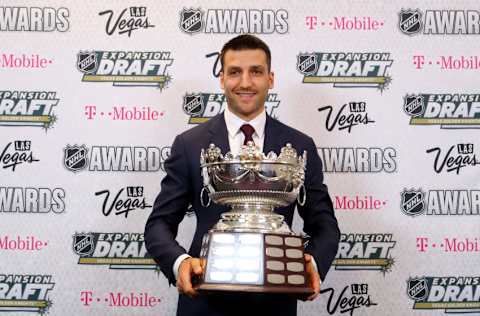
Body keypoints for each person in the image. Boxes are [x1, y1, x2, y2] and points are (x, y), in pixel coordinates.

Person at [145, 34, 340, 316]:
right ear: (222, 79)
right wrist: (181, 263)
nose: (246, 83)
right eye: (235, 72)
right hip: (204, 303)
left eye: (256, 72)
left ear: (270, 79)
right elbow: (158, 225)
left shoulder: (299, 146)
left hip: (274, 305)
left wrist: (314, 263)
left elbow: (324, 224)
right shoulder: (190, 144)